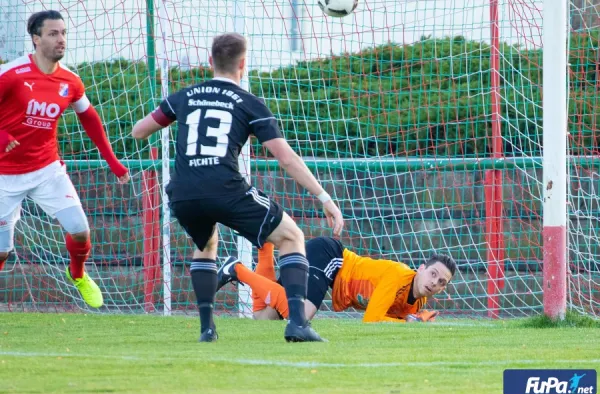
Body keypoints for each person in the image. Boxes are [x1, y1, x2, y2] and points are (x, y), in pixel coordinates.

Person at [131, 33, 344, 342]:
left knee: (205, 246)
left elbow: (140, 131)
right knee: (291, 236)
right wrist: (324, 197)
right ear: (243, 64)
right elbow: (285, 157)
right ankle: (297, 324)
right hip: (225, 188)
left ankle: (207, 329)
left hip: (183, 193)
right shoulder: (248, 102)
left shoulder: (185, 95)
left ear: (210, 62)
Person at [0, 11, 130, 308]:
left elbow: (90, 118)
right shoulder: (10, 74)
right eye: (53, 33)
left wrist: (113, 161)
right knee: (1, 251)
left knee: (80, 230)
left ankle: (78, 274)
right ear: (35, 39)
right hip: (4, 174)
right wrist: (3, 138)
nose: (61, 39)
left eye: (63, 33)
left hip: (47, 169)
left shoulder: (70, 80)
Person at [217, 237, 456, 322]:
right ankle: (235, 270)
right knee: (302, 315)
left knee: (264, 318)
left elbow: (392, 319)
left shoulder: (418, 303)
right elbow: (372, 320)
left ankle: (264, 248)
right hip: (331, 257)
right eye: (433, 274)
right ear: (421, 268)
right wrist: (409, 324)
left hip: (331, 271)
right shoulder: (398, 276)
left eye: (442, 282)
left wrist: (414, 320)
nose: (435, 282)